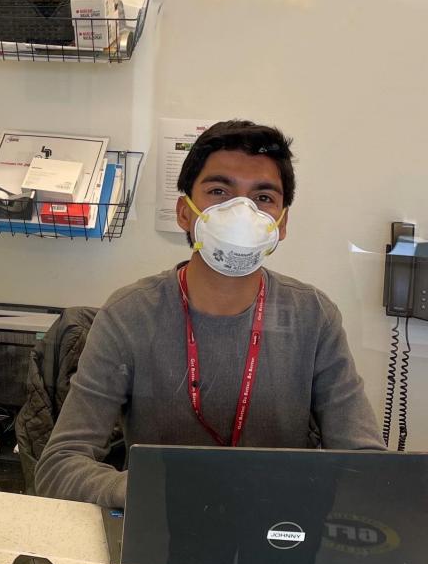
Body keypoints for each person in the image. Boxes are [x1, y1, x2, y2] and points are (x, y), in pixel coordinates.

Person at [34, 119, 384, 508]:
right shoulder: (128, 315)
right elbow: (59, 466)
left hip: (278, 532)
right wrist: (157, 492)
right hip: (160, 525)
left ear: (282, 225)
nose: (242, 212)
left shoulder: (313, 317)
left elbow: (365, 464)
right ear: (185, 213)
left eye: (263, 198)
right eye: (220, 191)